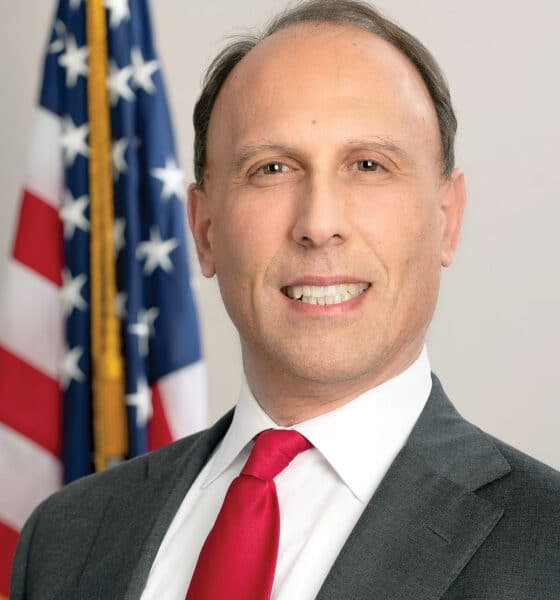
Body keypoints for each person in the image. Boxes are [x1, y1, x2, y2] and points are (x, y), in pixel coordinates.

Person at [11, 1, 560, 598]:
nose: (319, 223)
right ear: (204, 229)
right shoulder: (63, 540)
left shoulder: (547, 548)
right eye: (272, 168)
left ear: (447, 218)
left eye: (369, 165)